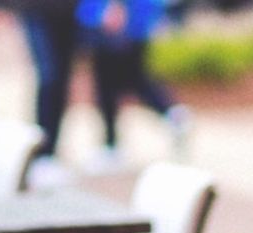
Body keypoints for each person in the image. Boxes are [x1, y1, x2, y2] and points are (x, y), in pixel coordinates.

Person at [78, 0, 191, 173]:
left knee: (108, 85)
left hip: (117, 18)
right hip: (135, 19)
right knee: (135, 80)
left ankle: (111, 146)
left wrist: (115, 7)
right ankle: (172, 113)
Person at [0, 0, 81, 185]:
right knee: (49, 76)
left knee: (62, 79)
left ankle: (51, 152)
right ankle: (41, 153)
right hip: (35, 8)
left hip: (71, 11)